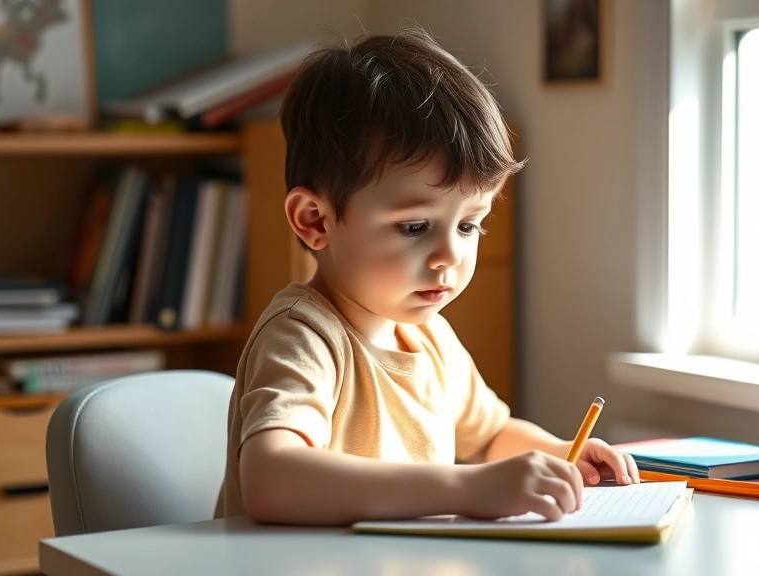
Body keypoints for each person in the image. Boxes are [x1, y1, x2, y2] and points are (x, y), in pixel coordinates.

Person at [215, 28, 639, 526]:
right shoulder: (302, 336)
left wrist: (559, 454)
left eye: (469, 224)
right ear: (314, 221)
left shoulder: (429, 336)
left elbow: (490, 435)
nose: (448, 255)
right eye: (415, 227)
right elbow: (273, 481)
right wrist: (464, 488)